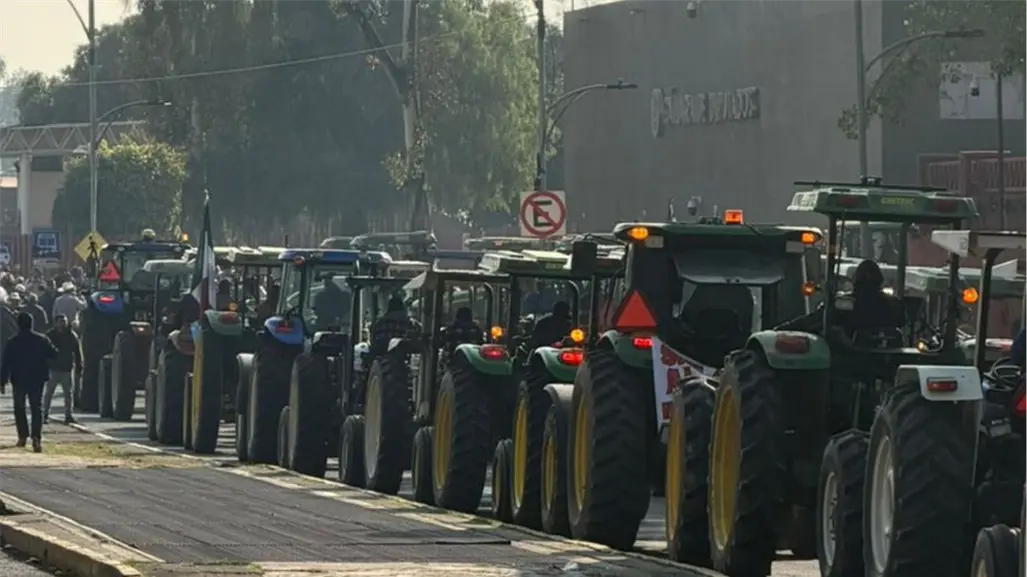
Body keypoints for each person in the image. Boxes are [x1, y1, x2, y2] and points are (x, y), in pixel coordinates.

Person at [0, 312, 58, 452]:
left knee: (19, 408)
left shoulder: (12, 341)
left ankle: (22, 436)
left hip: (19, 379)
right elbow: (54, 354)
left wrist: (2, 381)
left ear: (18, 325)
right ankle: (36, 438)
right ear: (31, 324)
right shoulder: (42, 339)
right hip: (37, 379)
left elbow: (6, 363)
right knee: (36, 408)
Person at [849, 259, 903, 338]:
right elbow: (901, 322)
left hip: (854, 347)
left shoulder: (848, 302)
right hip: (888, 346)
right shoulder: (892, 302)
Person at [43, 315, 82, 424]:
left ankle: (68, 415)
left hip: (67, 368)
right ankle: (44, 414)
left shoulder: (71, 335)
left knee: (68, 394)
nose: (62, 324)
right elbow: (43, 352)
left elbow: (77, 351)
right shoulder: (49, 335)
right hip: (53, 369)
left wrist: (79, 366)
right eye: (60, 322)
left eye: (64, 321)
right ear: (55, 323)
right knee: (48, 393)